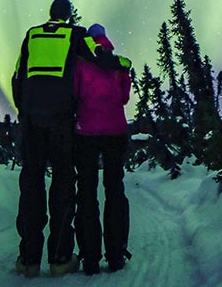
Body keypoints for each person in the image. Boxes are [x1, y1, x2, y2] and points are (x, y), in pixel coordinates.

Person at [12, 0, 122, 278]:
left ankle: (28, 259)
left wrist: (24, 111)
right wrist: (121, 64)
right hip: (62, 121)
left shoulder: (32, 35)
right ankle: (60, 257)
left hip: (32, 120)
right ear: (69, 16)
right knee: (63, 182)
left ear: (50, 14)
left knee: (31, 182)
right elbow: (99, 57)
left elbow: (17, 77)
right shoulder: (76, 34)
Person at [73, 23, 132, 276]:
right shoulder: (117, 63)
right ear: (105, 37)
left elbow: (75, 93)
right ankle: (116, 253)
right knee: (114, 190)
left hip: (85, 133)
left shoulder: (79, 61)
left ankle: (90, 257)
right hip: (115, 132)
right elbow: (124, 97)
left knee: (86, 192)